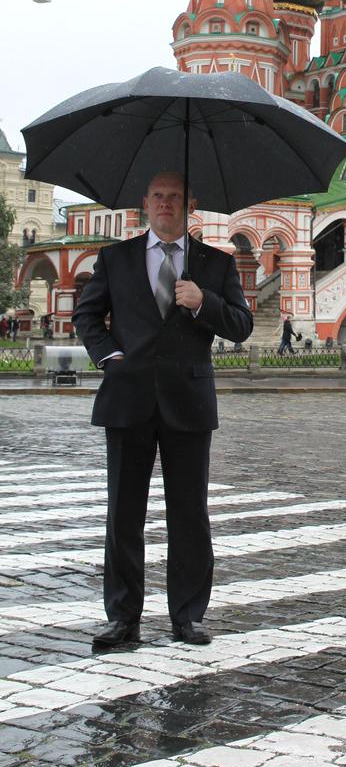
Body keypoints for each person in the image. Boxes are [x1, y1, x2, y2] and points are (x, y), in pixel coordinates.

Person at [74, 171, 253, 650]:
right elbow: (86, 316)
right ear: (145, 204)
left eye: (175, 197)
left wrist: (202, 302)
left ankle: (188, 616)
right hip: (127, 397)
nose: (166, 204)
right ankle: (122, 618)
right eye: (158, 197)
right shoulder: (116, 258)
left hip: (188, 402)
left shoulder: (215, 264)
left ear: (190, 205)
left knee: (189, 513)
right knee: (123, 513)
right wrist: (109, 357)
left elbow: (241, 325)